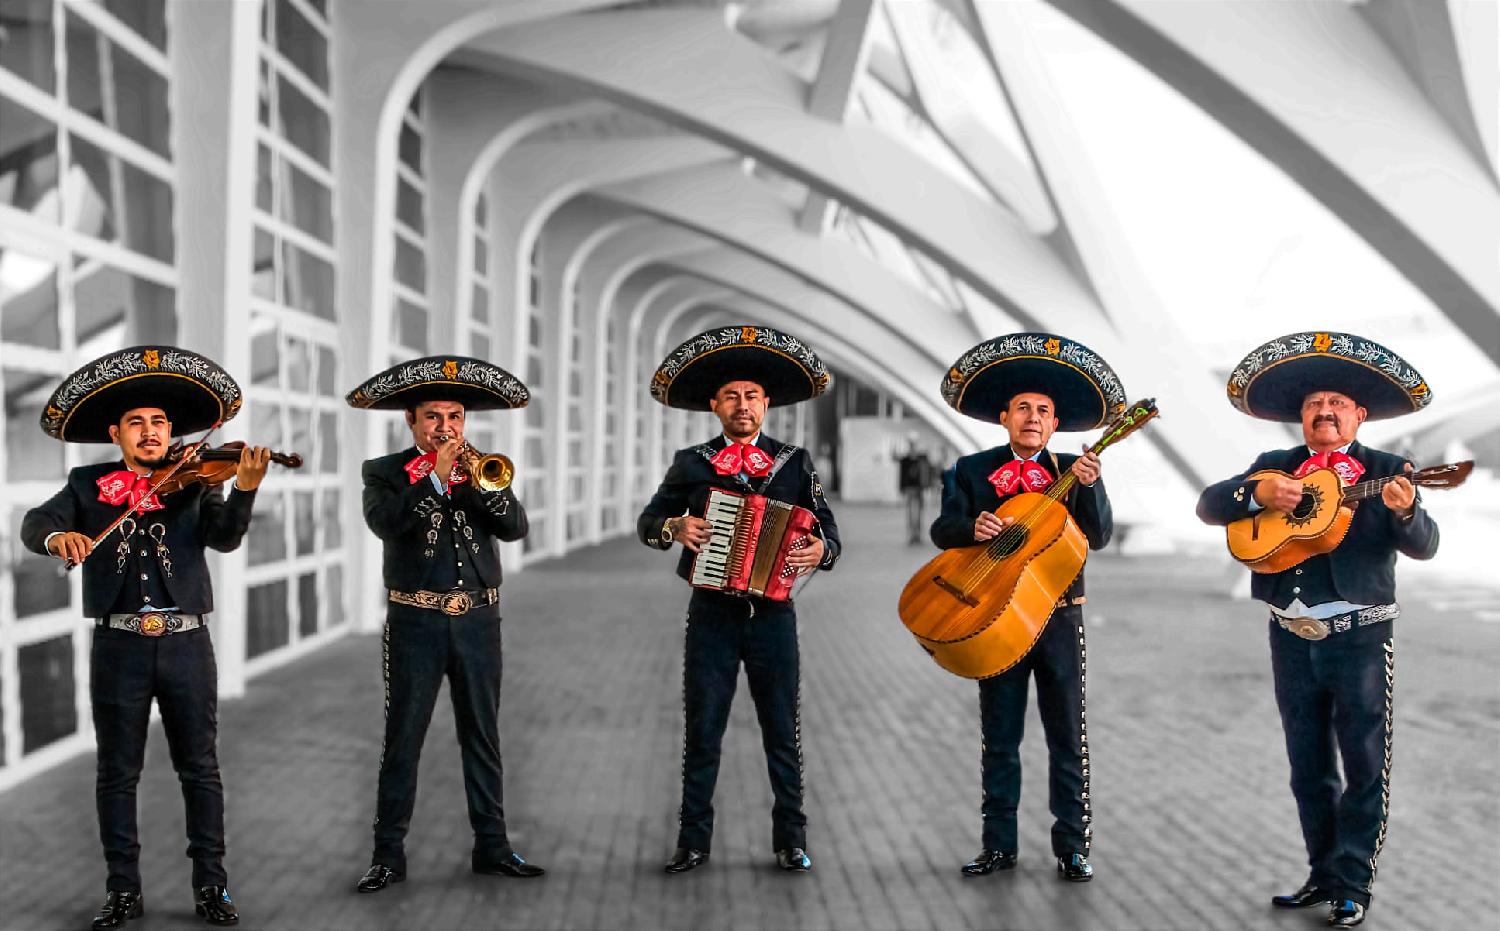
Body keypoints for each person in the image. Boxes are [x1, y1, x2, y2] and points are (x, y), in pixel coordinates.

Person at [1196, 332, 1439, 928]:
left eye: (1337, 403)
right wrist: (1255, 493)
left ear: (1359, 414)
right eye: (1313, 404)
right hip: (1288, 635)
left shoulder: (1388, 471)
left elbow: (1426, 545)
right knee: (1308, 765)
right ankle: (1322, 874)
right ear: (1300, 418)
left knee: (1362, 763)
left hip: (1360, 636)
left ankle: (1353, 883)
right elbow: (1209, 504)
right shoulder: (1273, 467)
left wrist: (1406, 509)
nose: (1324, 411)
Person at [22, 346, 269, 928]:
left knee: (200, 768)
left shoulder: (195, 480)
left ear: (170, 432)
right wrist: (59, 540)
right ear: (118, 433)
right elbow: (36, 522)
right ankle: (122, 890)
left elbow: (226, 538)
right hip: (119, 648)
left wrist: (246, 489)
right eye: (138, 422)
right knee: (117, 772)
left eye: (160, 423)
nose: (152, 431)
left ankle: (212, 885)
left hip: (186, 644)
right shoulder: (88, 484)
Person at [637, 325, 841, 874]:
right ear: (714, 405)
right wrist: (676, 527)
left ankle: (791, 839)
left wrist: (818, 549)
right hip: (711, 615)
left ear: (766, 403)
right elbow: (648, 523)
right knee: (703, 729)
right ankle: (693, 841)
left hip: (774, 614)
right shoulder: (691, 462)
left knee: (782, 729)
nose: (742, 405)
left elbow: (831, 535)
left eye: (751, 396)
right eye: (732, 396)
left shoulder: (794, 463)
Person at [928, 332, 1121, 882]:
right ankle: (998, 845)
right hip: (995, 616)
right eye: (1022, 409)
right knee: (1000, 737)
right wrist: (972, 526)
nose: (1032, 418)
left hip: (1060, 616)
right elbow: (942, 530)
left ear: (1055, 424)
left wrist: (1095, 487)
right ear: (1005, 419)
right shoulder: (971, 469)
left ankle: (1073, 847)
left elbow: (1099, 537)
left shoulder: (1074, 469)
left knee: (1067, 738)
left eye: (1043, 411)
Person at [345, 355, 541, 892]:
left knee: (483, 735)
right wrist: (431, 477)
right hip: (416, 623)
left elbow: (516, 528)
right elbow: (385, 523)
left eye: (455, 416)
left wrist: (479, 484)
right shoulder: (383, 472)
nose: (446, 426)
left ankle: (493, 848)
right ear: (411, 420)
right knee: (403, 738)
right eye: (433, 416)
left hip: (480, 620)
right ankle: (388, 857)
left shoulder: (480, 469)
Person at [895, 433, 934, 544]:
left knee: (919, 512)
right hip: (910, 489)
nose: (912, 446)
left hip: (919, 488)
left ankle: (917, 535)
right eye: (911, 443)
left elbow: (928, 468)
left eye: (913, 443)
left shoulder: (921, 457)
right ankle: (912, 535)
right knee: (911, 513)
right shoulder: (906, 458)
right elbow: (901, 471)